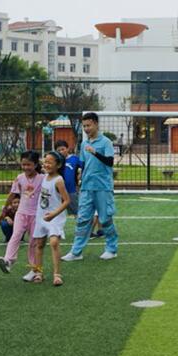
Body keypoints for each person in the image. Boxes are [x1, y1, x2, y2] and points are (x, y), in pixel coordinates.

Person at [61, 112, 119, 261]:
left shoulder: (106, 142)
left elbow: (110, 162)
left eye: (88, 125)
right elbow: (83, 164)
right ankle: (76, 252)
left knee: (105, 219)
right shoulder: (84, 144)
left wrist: (95, 153)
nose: (86, 129)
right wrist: (79, 177)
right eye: (84, 126)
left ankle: (111, 249)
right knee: (83, 219)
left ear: (96, 124)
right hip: (87, 187)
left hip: (103, 187)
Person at [0, 151, 44, 280]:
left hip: (36, 216)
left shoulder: (42, 178)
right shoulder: (19, 178)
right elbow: (12, 194)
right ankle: (8, 261)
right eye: (23, 164)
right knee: (15, 236)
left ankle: (34, 270)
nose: (26, 167)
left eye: (29, 164)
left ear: (35, 164)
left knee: (33, 243)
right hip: (21, 213)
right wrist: (4, 211)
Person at [31, 151, 70, 286]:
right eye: (45, 161)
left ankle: (57, 274)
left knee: (53, 242)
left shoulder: (58, 180)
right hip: (41, 215)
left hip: (55, 217)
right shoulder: (43, 177)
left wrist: (54, 214)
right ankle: (38, 272)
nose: (46, 164)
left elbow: (66, 201)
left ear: (58, 165)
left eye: (49, 162)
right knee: (39, 244)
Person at [55, 140, 81, 216]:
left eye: (63, 149)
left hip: (71, 191)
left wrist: (80, 177)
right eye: (58, 150)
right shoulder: (56, 161)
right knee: (57, 213)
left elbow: (85, 167)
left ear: (67, 149)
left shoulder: (74, 159)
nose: (61, 151)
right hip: (58, 192)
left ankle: (81, 227)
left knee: (77, 212)